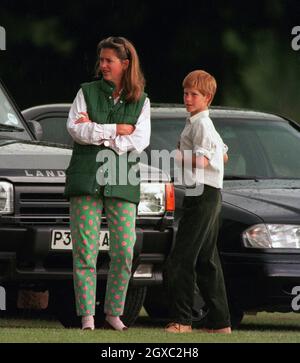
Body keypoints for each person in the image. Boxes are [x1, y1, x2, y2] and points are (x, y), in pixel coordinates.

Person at [65, 36, 150, 331]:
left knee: (124, 251)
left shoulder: (142, 100)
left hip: (123, 180)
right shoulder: (85, 92)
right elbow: (75, 129)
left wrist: (97, 131)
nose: (102, 65)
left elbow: (139, 140)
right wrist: (116, 131)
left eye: (108, 61)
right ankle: (87, 317)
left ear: (125, 64)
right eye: (101, 60)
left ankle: (114, 313)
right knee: (84, 251)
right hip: (85, 179)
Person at [164, 70, 231, 334]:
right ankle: (220, 322)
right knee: (206, 259)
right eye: (186, 93)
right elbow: (223, 156)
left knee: (181, 259)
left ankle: (182, 321)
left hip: (202, 194)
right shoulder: (201, 123)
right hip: (210, 192)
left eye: (194, 94)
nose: (188, 98)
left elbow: (203, 161)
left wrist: (177, 156)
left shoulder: (201, 124)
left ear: (208, 97)